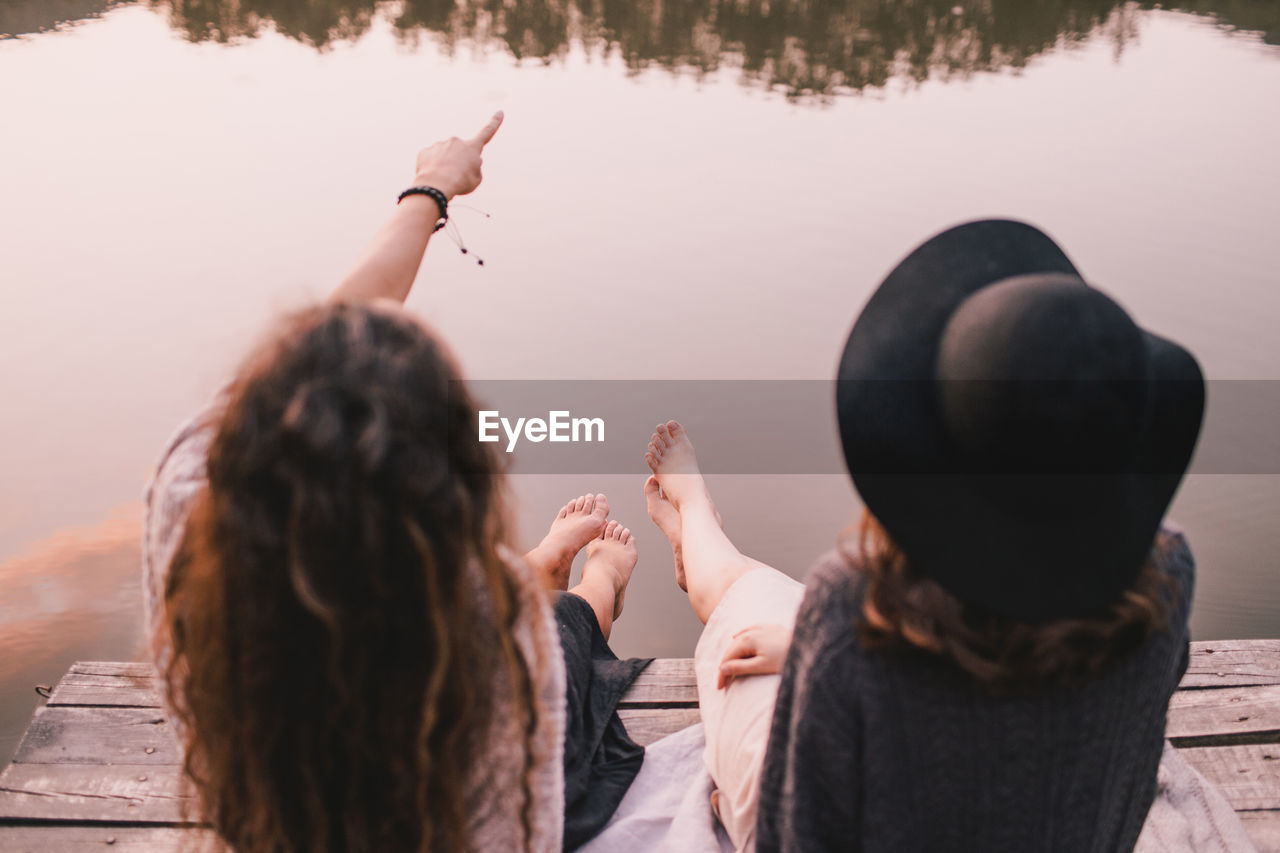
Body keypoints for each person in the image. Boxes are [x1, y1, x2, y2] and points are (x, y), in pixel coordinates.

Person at [142, 113, 647, 853]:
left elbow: (326, 337)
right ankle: (590, 585)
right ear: (455, 499)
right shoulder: (495, 623)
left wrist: (432, 188)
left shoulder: (193, 491)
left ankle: (546, 566)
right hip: (496, 662)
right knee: (567, 637)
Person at [641, 219, 1208, 853]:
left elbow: (799, 839)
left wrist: (822, 663)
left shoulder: (854, 604)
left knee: (743, 604)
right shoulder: (1165, 568)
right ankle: (704, 532)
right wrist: (820, 656)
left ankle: (698, 523)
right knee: (781, 624)